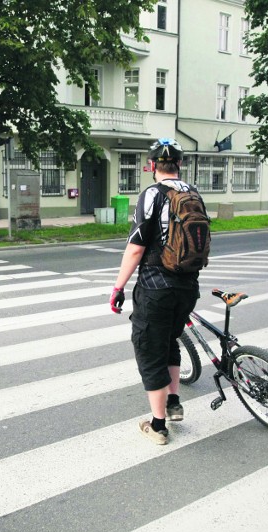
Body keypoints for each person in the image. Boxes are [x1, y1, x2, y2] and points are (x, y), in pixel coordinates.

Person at [109, 138, 202, 445]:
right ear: (180, 165)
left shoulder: (152, 194)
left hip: (155, 287)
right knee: (170, 340)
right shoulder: (192, 192)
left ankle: (158, 425)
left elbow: (136, 249)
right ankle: (173, 402)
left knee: (149, 349)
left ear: (151, 166)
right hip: (188, 286)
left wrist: (119, 286)